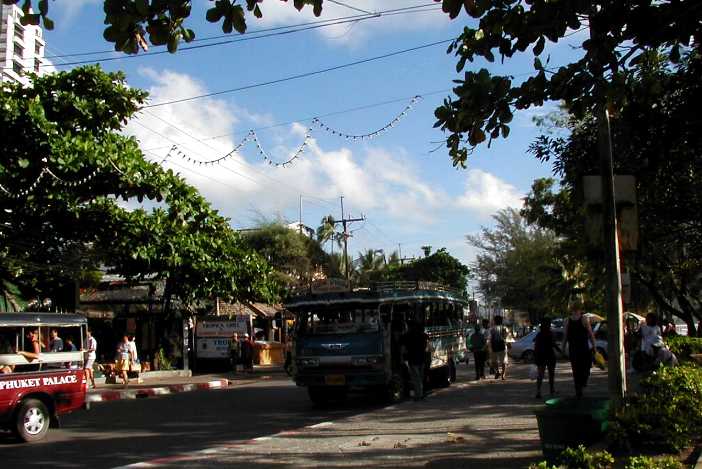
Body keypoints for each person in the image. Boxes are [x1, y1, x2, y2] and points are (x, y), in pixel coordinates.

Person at [562, 302, 597, 398]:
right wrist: (594, 347)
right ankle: (580, 387)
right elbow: (590, 334)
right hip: (583, 349)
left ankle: (579, 388)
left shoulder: (567, 321)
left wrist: (563, 348)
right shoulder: (584, 319)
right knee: (585, 368)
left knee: (576, 370)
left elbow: (565, 337)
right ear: (579, 309)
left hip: (574, 349)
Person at [400, 320, 428, 401]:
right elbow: (426, 346)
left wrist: (402, 358)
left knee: (416, 378)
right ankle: (420, 393)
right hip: (422, 359)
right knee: (420, 377)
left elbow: (402, 346)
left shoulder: (407, 335)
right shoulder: (422, 335)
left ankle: (418, 395)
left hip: (412, 359)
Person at [534, 318, 559, 398]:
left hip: (541, 357)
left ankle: (538, 391)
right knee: (551, 374)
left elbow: (536, 347)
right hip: (550, 356)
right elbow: (554, 344)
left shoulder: (539, 335)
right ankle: (551, 390)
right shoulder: (551, 334)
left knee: (540, 375)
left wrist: (536, 357)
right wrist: (560, 351)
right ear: (548, 326)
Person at [489, 316, 509, 380]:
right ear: (501, 321)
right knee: (503, 361)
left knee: (494, 361)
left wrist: (490, 347)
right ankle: (503, 374)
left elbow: (491, 339)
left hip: (494, 347)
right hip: (503, 346)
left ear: (495, 321)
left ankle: (497, 372)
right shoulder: (505, 328)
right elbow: (506, 338)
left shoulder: (492, 329)